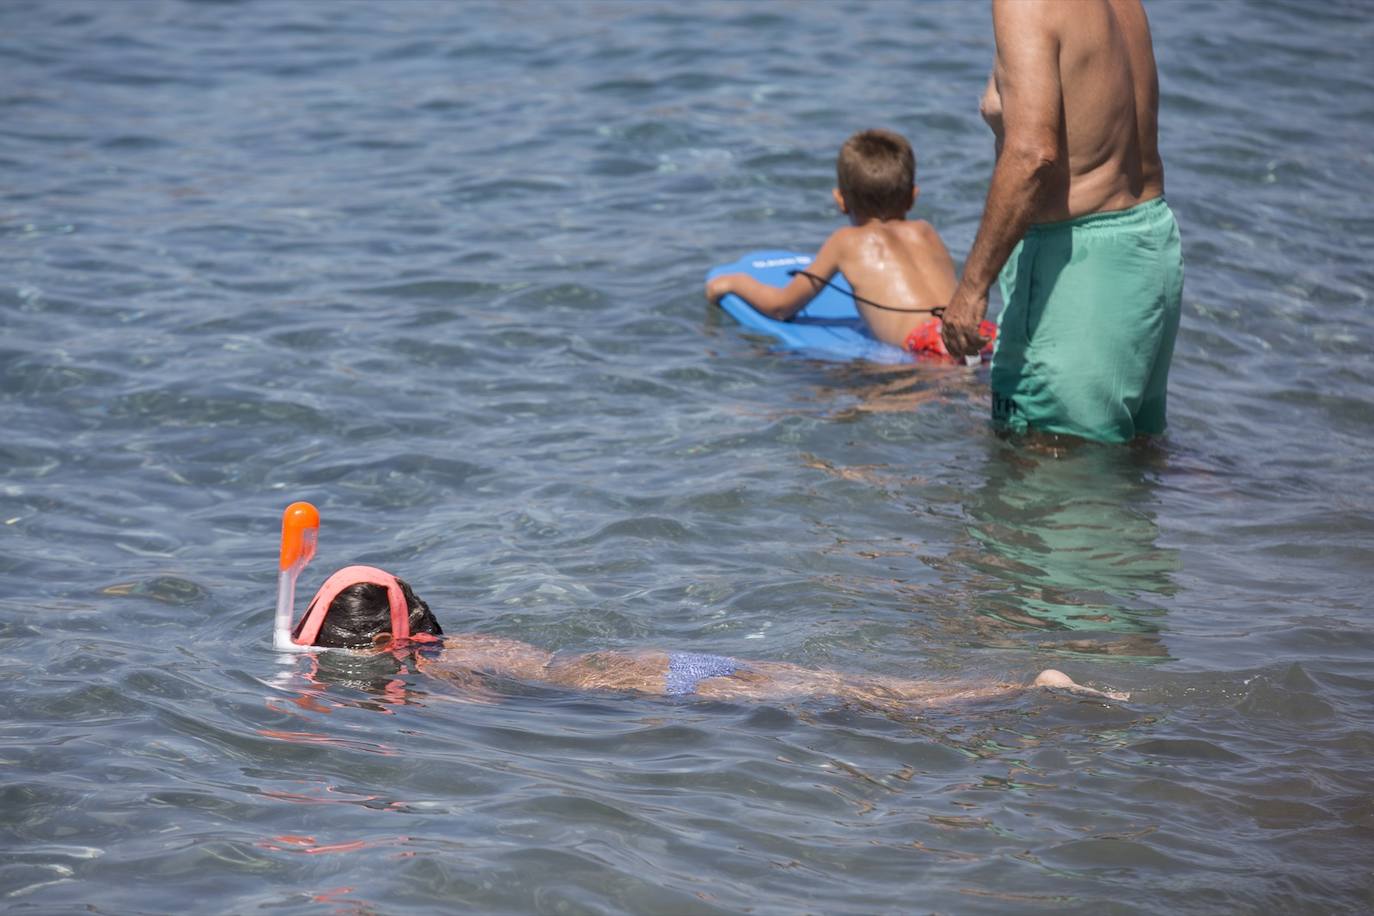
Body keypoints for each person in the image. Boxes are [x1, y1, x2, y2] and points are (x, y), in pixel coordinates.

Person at [291, 566, 1124, 708]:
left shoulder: (440, 680)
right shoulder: (467, 642)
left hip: (657, 689)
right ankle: (1025, 686)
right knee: (858, 688)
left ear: (371, 648)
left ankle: (1025, 691)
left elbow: (507, 722)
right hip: (671, 663)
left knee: (867, 708)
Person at [940, 0, 1183, 443]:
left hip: (1077, 264)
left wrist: (972, 288)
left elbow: (1033, 156)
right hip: (1148, 248)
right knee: (1127, 469)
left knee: (1045, 475)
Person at [705, 128, 996, 361]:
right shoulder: (926, 231)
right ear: (913, 197)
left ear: (840, 201)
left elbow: (782, 306)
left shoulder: (846, 242)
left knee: (835, 388)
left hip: (927, 346)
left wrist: (733, 283)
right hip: (979, 333)